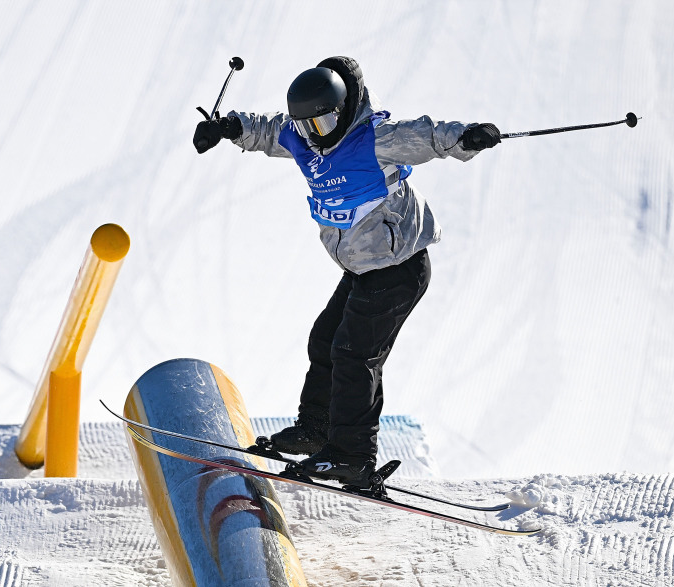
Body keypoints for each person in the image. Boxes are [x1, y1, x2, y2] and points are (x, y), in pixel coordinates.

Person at [192, 56, 500, 487]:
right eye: (305, 128)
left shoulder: (374, 139)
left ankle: (352, 455)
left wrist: (466, 137)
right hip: (361, 266)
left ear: (343, 111)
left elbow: (428, 137)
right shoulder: (302, 137)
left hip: (397, 268)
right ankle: (316, 430)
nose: (312, 137)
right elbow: (266, 129)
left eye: (321, 125)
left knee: (355, 356)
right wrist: (227, 128)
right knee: (325, 340)